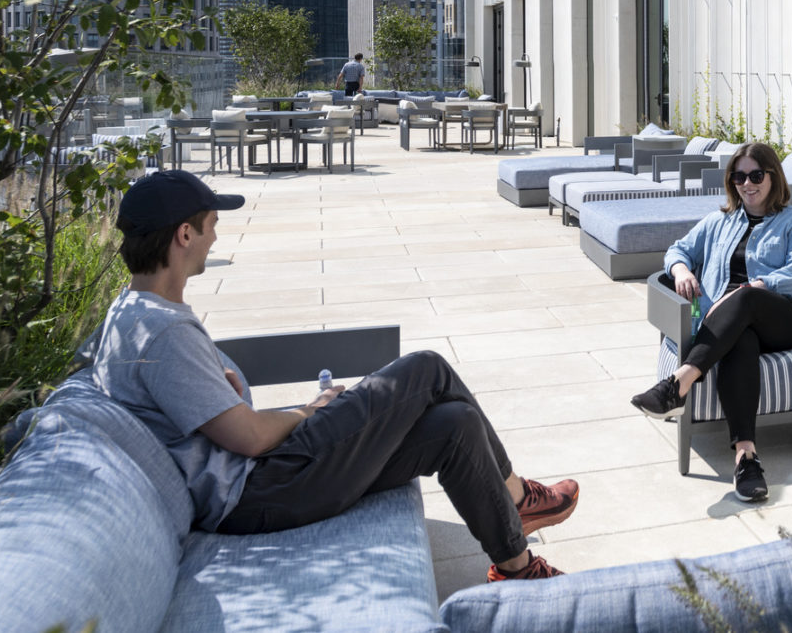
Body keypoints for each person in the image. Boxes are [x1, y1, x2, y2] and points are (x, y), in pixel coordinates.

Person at [84, 169, 578, 581]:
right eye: (211, 223)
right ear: (183, 235)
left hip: (263, 480)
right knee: (427, 368)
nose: (216, 235)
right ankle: (515, 497)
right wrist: (310, 410)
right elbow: (250, 438)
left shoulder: (134, 314)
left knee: (453, 426)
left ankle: (515, 567)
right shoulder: (163, 332)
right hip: (261, 489)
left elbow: (218, 420)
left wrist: (235, 398)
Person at [628, 142, 792, 503]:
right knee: (741, 339)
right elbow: (677, 250)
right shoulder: (719, 221)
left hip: (784, 319)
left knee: (746, 297)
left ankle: (677, 384)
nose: (748, 183)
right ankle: (746, 458)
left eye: (756, 175)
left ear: (773, 177)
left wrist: (750, 289)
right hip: (733, 324)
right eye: (739, 176)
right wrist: (681, 269)